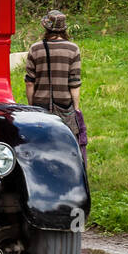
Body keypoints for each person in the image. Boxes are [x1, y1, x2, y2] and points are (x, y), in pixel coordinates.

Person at [24, 9, 86, 164]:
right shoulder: (73, 49)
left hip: (40, 105)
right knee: (67, 144)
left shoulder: (35, 49)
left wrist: (32, 105)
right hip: (64, 105)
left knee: (41, 143)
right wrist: (76, 108)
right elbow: (74, 83)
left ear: (46, 28)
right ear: (64, 29)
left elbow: (30, 82)